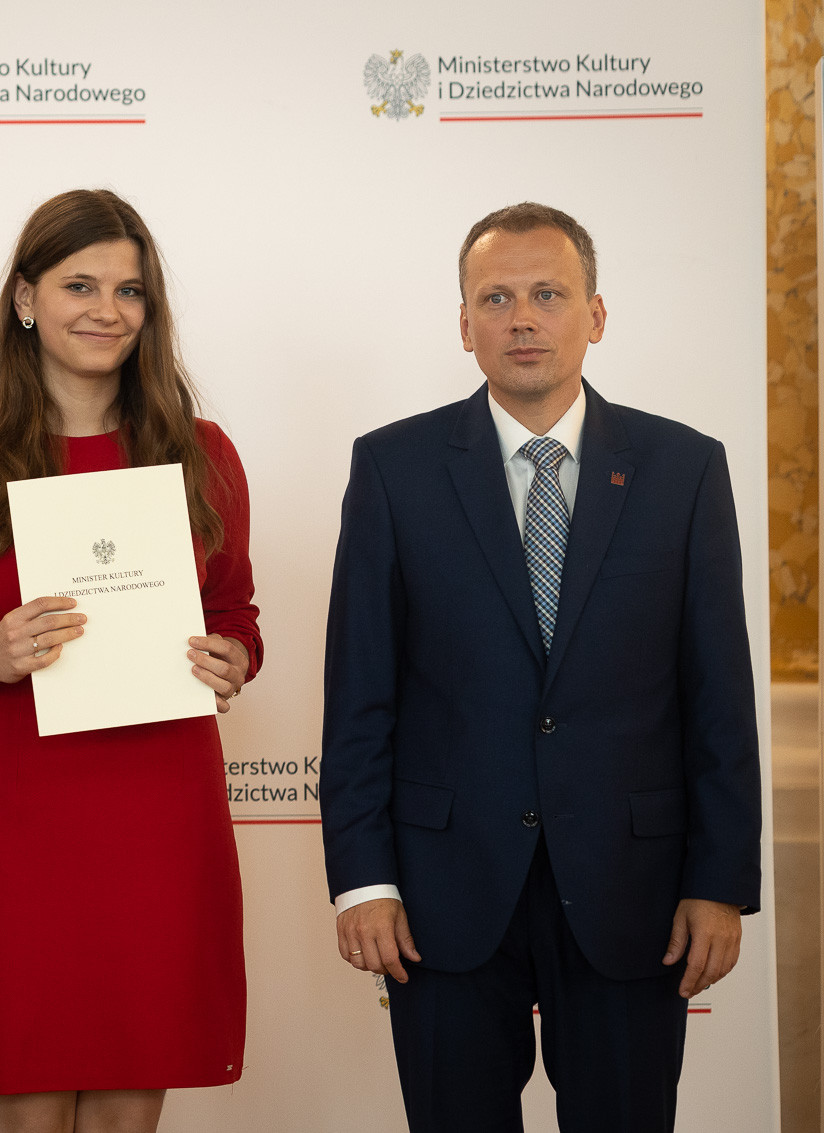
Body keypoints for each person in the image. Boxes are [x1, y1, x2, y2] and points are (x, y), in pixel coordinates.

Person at [320, 202, 762, 1131]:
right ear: (465, 324)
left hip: (633, 892)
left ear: (595, 314)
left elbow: (718, 695)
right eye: (497, 298)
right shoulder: (394, 468)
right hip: (441, 894)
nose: (522, 318)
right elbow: (360, 694)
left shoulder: (684, 469)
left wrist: (719, 880)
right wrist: (364, 880)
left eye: (548, 295)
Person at [0, 189, 262, 1133]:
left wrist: (232, 658)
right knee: (30, 1097)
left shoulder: (204, 456)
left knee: (131, 1107)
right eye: (79, 285)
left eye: (129, 290)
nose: (106, 310)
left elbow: (235, 615)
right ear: (25, 299)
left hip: (161, 814)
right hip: (17, 821)